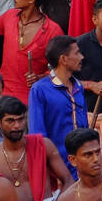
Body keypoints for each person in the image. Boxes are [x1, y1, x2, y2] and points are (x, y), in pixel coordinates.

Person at [0, 95, 71, 201]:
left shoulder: (43, 145)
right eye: (10, 121)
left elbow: (68, 181)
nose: (17, 126)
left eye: (21, 119)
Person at [28, 35, 90, 176]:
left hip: (82, 169)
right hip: (57, 173)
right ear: (64, 59)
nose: (81, 57)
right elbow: (37, 137)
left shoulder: (78, 87)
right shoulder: (39, 90)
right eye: (77, 53)